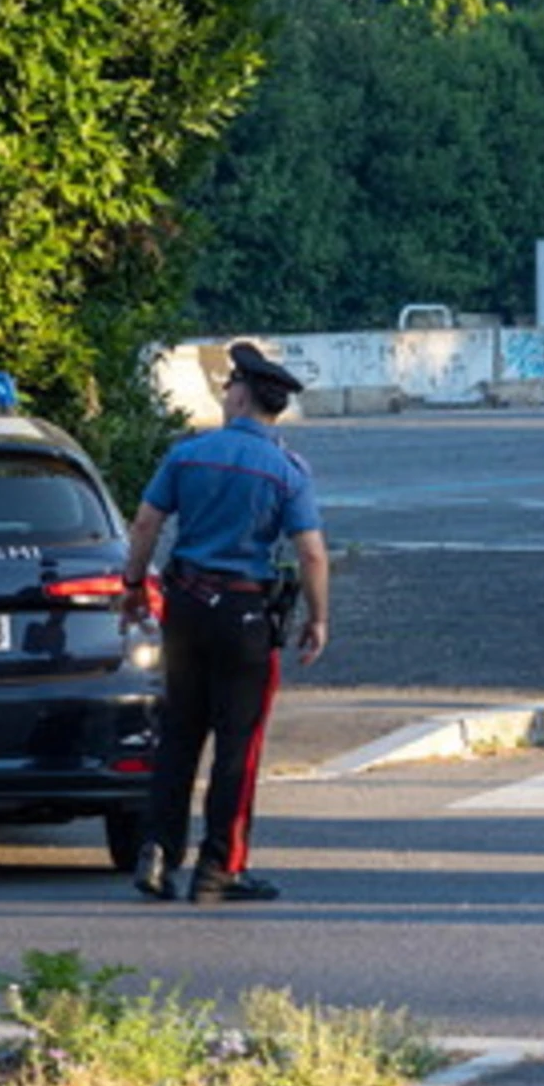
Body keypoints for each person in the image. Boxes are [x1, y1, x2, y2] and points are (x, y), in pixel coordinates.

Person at [120, 342, 329, 905]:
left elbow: (144, 525)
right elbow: (311, 554)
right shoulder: (288, 470)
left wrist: (134, 588)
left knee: (179, 734)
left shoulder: (188, 454)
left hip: (185, 608)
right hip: (245, 616)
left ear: (241, 396)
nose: (225, 394)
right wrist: (318, 618)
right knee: (238, 746)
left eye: (229, 386)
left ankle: (159, 855)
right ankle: (220, 870)